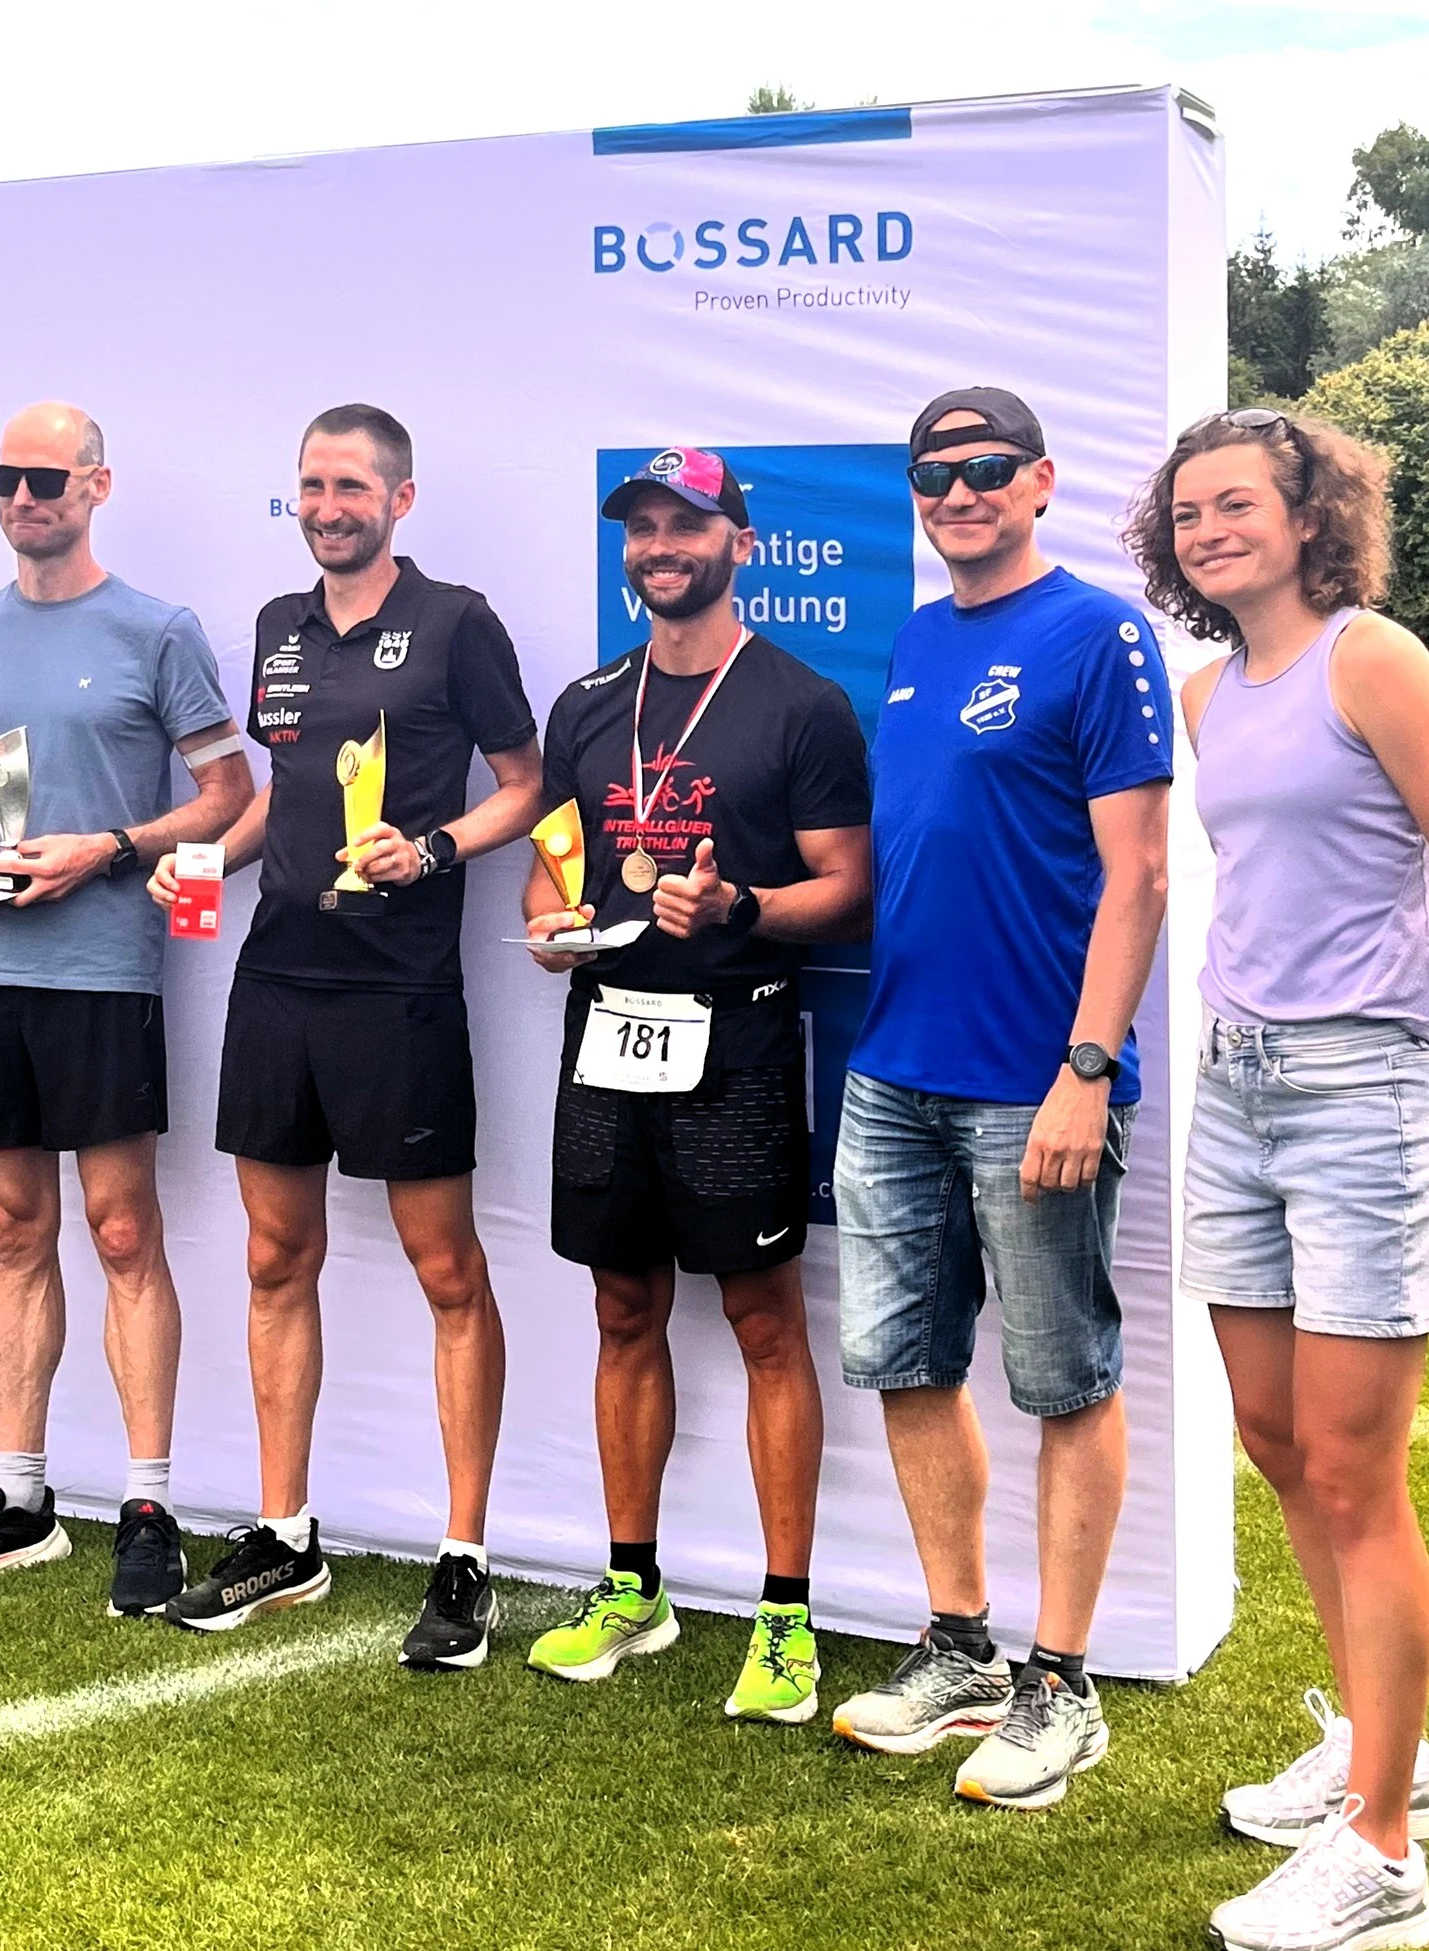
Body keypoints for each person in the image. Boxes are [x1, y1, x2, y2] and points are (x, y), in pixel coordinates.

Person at [1123, 407, 1429, 1951]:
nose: (1207, 529)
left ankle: (1379, 1853)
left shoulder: (1374, 659)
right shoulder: (1208, 691)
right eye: (1186, 513)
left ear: (1308, 518)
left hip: (1361, 1090)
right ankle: (1380, 1752)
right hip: (1234, 1088)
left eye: (1235, 503)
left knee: (1356, 1473)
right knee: (1279, 1440)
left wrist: (1427, 1022)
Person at [146, 404, 543, 1668]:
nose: (327, 507)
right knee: (274, 1257)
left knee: (447, 1270)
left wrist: (436, 847)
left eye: (351, 487)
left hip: (400, 986)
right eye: (312, 486)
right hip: (279, 976)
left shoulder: (459, 621)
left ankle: (465, 1555)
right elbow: (281, 794)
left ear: (399, 499)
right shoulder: (278, 626)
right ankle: (286, 1534)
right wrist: (202, 857)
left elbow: (528, 784)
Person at [827, 388, 1171, 1813]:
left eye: (984, 468)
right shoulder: (918, 638)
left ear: (1038, 480)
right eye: (933, 473)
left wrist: (1085, 1069)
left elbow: (1139, 874)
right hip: (891, 1070)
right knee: (908, 1362)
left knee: (1063, 1376)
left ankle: (1061, 1682)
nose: (957, 492)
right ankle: (961, 1644)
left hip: (1035, 1083)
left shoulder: (1100, 634)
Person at [518, 446, 872, 1724]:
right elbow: (555, 859)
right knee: (622, 1307)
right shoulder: (588, 702)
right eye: (643, 526)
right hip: (607, 1033)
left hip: (738, 1039)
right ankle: (634, 1588)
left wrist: (739, 905)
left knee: (764, 1320)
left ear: (741, 543)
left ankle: (786, 1617)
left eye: (688, 523)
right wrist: (550, 920)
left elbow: (850, 888)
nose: (661, 545)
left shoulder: (801, 703)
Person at [0, 402, 253, 1613]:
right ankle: (18, 1494)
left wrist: (108, 846)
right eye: (5, 475)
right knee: (10, 1227)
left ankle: (148, 1503)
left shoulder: (158, 628)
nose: (23, 496)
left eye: (47, 477)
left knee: (122, 1229)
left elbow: (228, 792)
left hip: (104, 968)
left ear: (98, 484)